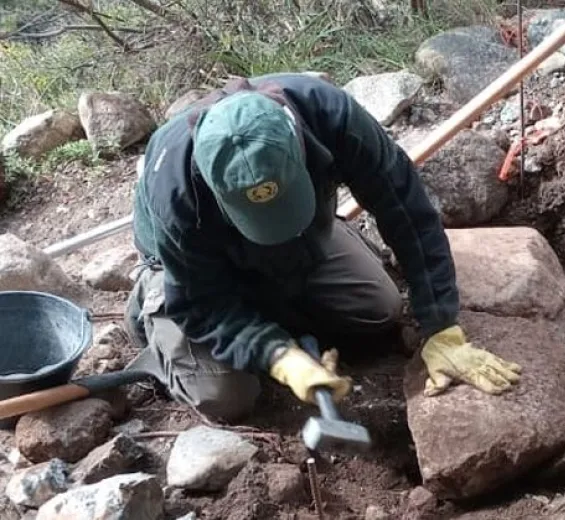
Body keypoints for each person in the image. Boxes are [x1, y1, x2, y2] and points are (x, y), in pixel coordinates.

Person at [124, 72, 521, 422]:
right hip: (190, 268)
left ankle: (272, 296)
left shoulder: (330, 115)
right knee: (225, 396)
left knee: (379, 310)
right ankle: (151, 309)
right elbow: (201, 303)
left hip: (303, 233)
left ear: (299, 146)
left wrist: (441, 325)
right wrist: (278, 357)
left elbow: (407, 210)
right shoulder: (175, 191)